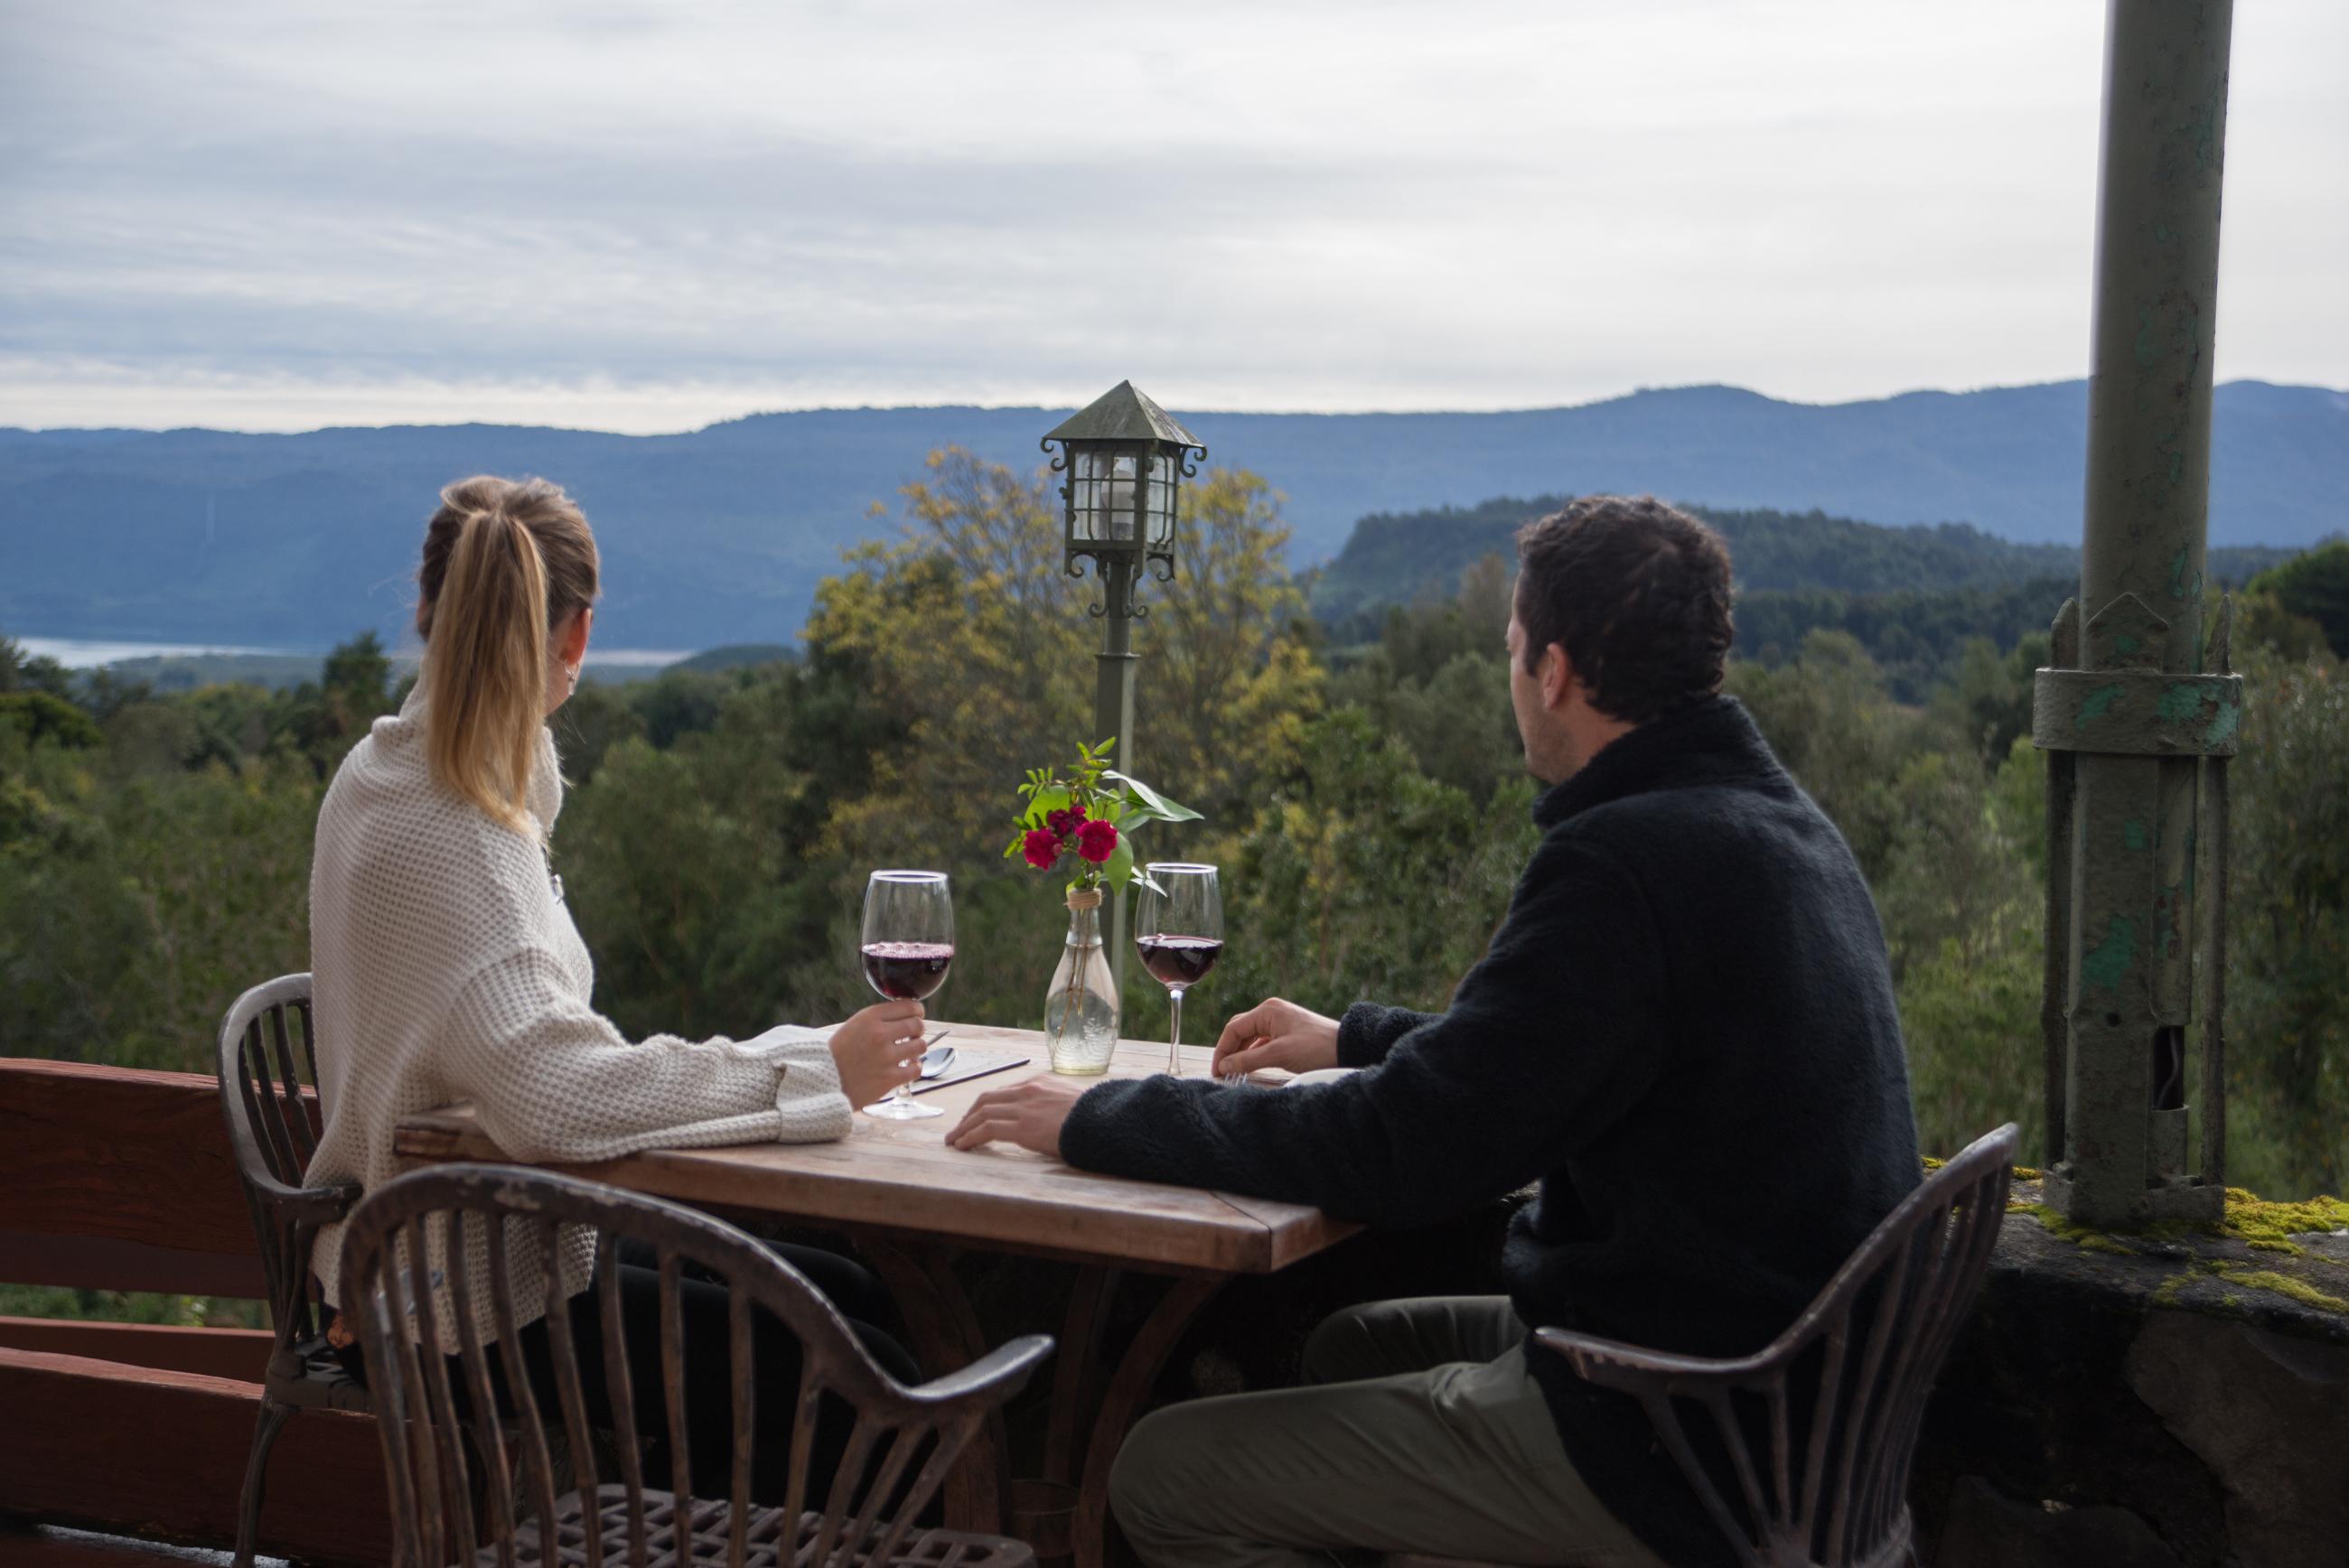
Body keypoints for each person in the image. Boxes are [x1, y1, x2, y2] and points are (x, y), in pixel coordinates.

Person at [947, 494, 1923, 1568]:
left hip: (1671, 1436)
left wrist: (1096, 1116)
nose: (1511, 682)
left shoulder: (1623, 863)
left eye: (1510, 651)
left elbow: (1402, 1150)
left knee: (1164, 1473)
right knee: (1344, 1340)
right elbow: (1544, 1058)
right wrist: (1358, 1039)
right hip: (1778, 1401)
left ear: (1551, 668)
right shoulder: (1772, 826)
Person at [307, 474, 926, 1500]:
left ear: (426, 612)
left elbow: (515, 1044)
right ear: (577, 637)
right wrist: (812, 1070)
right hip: (460, 1306)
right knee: (851, 1367)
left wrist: (794, 1056)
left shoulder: (382, 775)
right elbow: (556, 1091)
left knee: (848, 1288)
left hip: (459, 1250)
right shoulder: (457, 829)